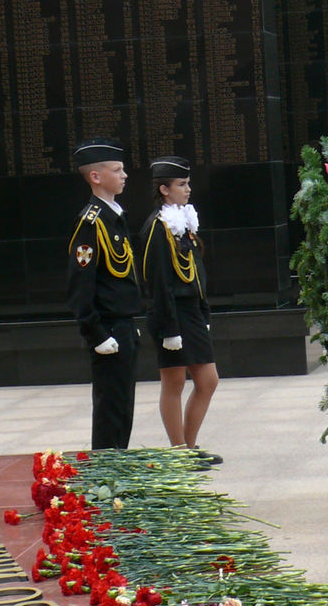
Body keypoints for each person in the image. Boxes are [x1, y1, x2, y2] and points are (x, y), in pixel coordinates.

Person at [139, 156, 220, 463]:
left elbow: (196, 271)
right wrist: (169, 328)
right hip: (171, 313)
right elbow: (157, 281)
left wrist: (204, 312)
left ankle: (189, 445)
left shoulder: (182, 220)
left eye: (188, 183)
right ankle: (179, 451)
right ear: (164, 189)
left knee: (207, 381)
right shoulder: (156, 228)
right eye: (181, 185)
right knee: (173, 381)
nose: (188, 190)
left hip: (191, 312)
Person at [66, 138, 142, 450]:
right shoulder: (91, 223)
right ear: (96, 176)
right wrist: (96, 333)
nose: (124, 175)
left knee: (123, 406)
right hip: (108, 328)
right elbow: (80, 285)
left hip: (122, 325)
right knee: (111, 408)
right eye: (117, 170)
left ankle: (117, 470)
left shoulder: (114, 217)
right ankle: (107, 476)